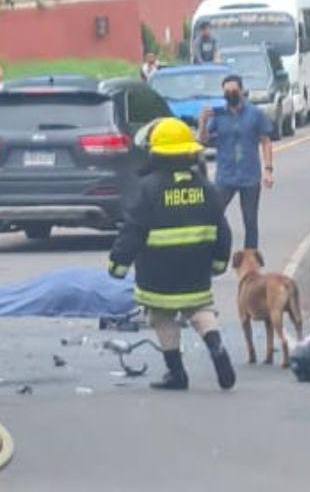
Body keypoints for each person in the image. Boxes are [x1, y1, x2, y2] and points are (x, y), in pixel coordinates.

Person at [108, 118, 236, 391]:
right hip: (196, 271)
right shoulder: (205, 187)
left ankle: (177, 374)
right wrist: (219, 262)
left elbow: (133, 230)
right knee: (199, 309)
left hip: (158, 273)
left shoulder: (148, 188)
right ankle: (216, 346)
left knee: (162, 316)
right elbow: (221, 229)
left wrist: (118, 263)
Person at [197, 74, 275, 250]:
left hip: (250, 176)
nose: (230, 94)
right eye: (227, 91)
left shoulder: (255, 114)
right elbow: (204, 141)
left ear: (241, 91)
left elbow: (265, 140)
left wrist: (268, 170)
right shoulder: (218, 115)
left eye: (234, 90)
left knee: (250, 221)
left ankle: (251, 258)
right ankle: (212, 252)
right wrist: (202, 122)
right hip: (225, 176)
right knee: (213, 215)